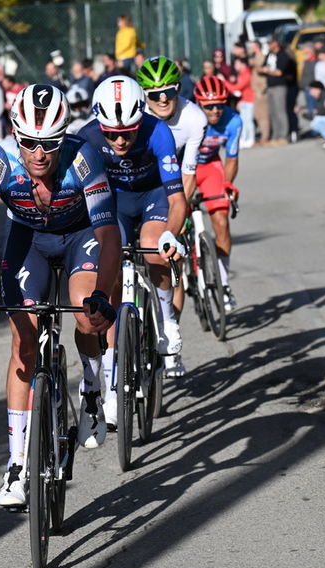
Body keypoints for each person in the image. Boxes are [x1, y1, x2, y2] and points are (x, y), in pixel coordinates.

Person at [0, 84, 121, 506]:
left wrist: (104, 295)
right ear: (16, 134)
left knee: (87, 316)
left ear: (63, 136)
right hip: (28, 240)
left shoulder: (83, 157)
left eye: (50, 143)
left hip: (79, 235)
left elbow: (108, 235)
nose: (39, 153)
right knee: (23, 342)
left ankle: (92, 389)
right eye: (30, 142)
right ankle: (16, 464)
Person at [77, 75, 186, 426]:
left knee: (153, 249)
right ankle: (111, 377)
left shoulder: (158, 132)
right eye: (112, 133)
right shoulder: (87, 137)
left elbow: (177, 199)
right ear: (99, 124)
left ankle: (167, 322)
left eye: (128, 131)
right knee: (106, 277)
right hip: (115, 203)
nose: (121, 139)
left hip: (153, 196)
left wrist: (171, 235)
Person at [135, 56, 208, 377]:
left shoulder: (193, 119)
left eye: (169, 91)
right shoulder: (135, 116)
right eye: (154, 94)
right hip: (140, 187)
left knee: (168, 256)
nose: (163, 99)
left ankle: (168, 330)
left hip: (174, 188)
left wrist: (179, 216)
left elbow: (188, 174)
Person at [193, 76, 242, 313]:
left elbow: (231, 159)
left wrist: (228, 185)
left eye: (219, 105)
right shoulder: (189, 117)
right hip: (186, 169)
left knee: (221, 222)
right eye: (208, 105)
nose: (214, 110)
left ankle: (223, 284)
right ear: (198, 103)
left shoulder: (233, 121)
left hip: (211, 167)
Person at [259, 36, 291, 145]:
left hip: (279, 86)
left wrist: (268, 71)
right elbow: (262, 68)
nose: (268, 45)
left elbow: (279, 72)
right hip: (270, 86)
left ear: (276, 43)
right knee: (272, 112)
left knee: (280, 111)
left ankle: (284, 135)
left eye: (270, 43)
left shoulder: (283, 55)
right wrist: (268, 70)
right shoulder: (269, 55)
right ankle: (275, 136)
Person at [225, 57, 255, 149]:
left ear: (243, 64)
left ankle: (251, 139)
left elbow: (236, 88)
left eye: (237, 64)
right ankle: (244, 138)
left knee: (248, 121)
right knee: (244, 121)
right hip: (244, 101)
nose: (235, 66)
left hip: (249, 101)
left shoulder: (247, 74)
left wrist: (224, 81)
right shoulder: (241, 74)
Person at [248, 40, 270, 144]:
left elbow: (264, 75)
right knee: (257, 114)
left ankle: (265, 137)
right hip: (256, 90)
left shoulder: (261, 57)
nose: (250, 48)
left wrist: (261, 90)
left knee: (263, 115)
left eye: (252, 46)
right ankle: (262, 135)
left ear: (257, 47)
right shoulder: (254, 58)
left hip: (261, 90)